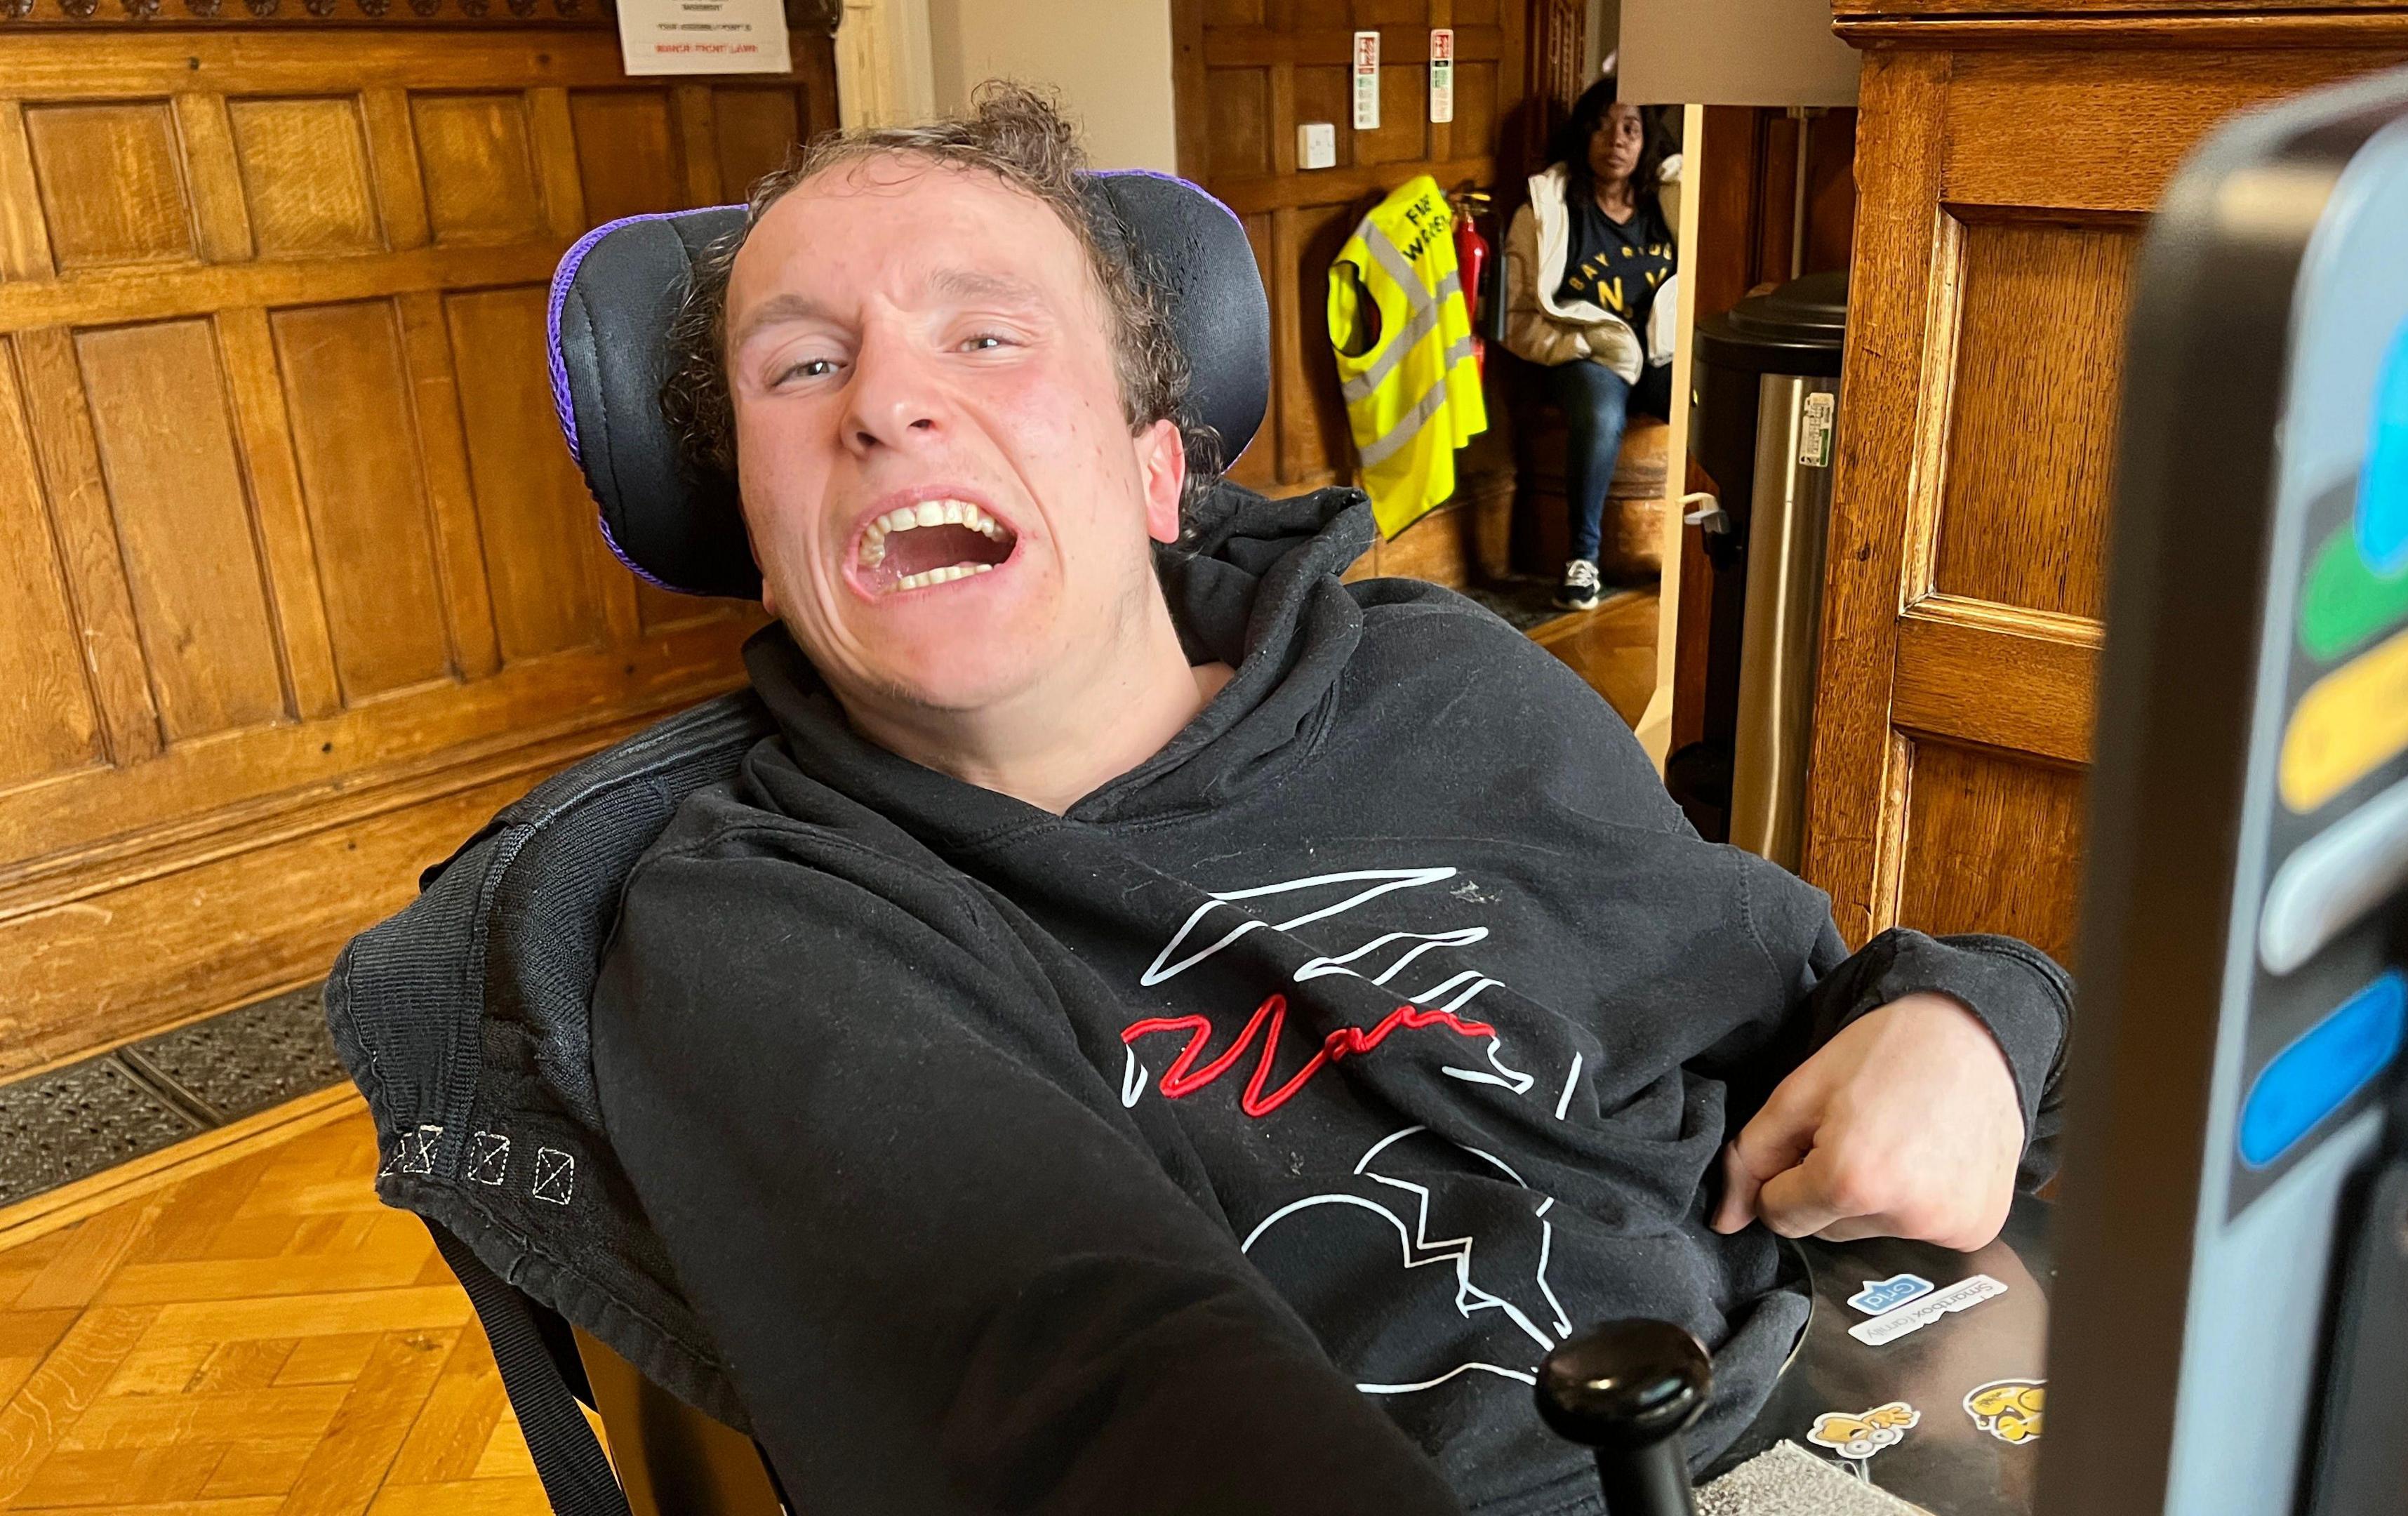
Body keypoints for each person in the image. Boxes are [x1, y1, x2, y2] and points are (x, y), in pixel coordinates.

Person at [606, 84, 2068, 1515]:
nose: (889, 403)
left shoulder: (1442, 681)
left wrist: (1974, 1027)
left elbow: (1813, 999)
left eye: (987, 336)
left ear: (1156, 468)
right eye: (800, 368)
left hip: (1846, 1391)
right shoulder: (765, 923)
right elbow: (1111, 1404)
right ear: (752, 512)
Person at [1503, 76, 1681, 612]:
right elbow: (1517, 321)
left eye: (1629, 128)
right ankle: (1583, 562)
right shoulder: (1548, 213)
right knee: (1601, 416)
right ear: (1582, 137)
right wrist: (1576, 348)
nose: (1616, 140)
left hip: (1658, 353)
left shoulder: (1668, 207)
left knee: (1710, 395)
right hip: (1587, 356)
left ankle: (1705, 546)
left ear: (1647, 140)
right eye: (1601, 127)